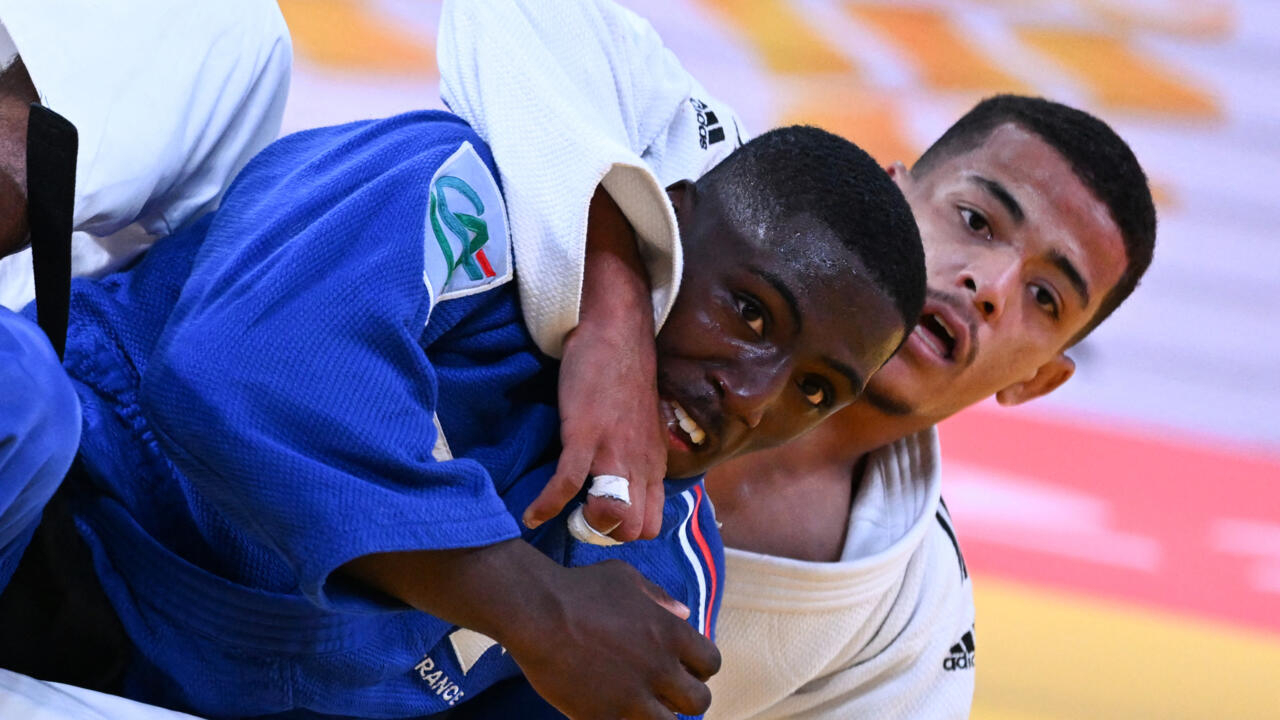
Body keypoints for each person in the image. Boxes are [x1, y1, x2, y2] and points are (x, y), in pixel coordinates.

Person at [37, 110, 925, 719]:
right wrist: (537, 610)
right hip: (48, 528)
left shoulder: (663, 586)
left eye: (814, 390)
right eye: (752, 314)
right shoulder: (468, 196)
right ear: (671, 224)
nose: (753, 394)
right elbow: (231, 375)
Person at [435, 2, 1157, 718]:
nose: (990, 286)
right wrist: (614, 309)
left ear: (1039, 379)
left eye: (1045, 296)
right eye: (975, 220)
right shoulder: (721, 185)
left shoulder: (908, 621)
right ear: (895, 188)